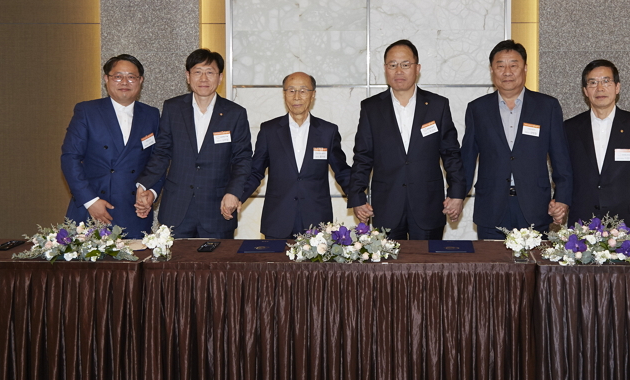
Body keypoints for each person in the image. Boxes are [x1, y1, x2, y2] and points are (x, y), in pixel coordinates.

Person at [347, 39, 466, 240]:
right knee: (388, 262)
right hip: (386, 205)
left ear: (417, 68)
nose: (399, 71)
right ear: (385, 69)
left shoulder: (437, 105)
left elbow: (451, 154)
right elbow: (363, 157)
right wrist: (357, 197)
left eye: (405, 64)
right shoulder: (371, 108)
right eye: (392, 65)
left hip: (428, 204)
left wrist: (456, 194)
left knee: (428, 260)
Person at [461, 40, 572, 239]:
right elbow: (467, 159)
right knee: (491, 260)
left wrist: (562, 199)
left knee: (534, 260)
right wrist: (457, 196)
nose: (507, 72)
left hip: (534, 205)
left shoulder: (547, 107)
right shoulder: (478, 109)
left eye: (513, 65)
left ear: (525, 68)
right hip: (491, 206)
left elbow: (561, 158)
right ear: (492, 70)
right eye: (500, 66)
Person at [135, 49, 252, 239]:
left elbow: (243, 159)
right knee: (175, 259)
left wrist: (234, 192)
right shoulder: (173, 108)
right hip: (176, 208)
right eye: (197, 72)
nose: (203, 78)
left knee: (218, 260)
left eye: (210, 72)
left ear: (220, 77)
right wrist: (145, 183)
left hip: (218, 209)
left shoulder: (235, 113)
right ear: (188, 76)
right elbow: (162, 152)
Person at [60, 54, 163, 238]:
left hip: (134, 211)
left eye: (131, 77)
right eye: (118, 76)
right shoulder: (87, 111)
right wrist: (90, 201)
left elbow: (159, 159)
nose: (124, 82)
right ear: (106, 79)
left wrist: (151, 192)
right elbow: (70, 158)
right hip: (93, 210)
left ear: (141, 81)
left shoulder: (151, 115)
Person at [242, 72, 351, 239]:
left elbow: (342, 171)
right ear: (284, 94)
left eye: (303, 90)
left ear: (313, 95)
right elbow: (255, 171)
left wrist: (358, 198)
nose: (297, 97)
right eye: (291, 90)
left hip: (316, 220)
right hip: (278, 219)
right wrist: (237, 197)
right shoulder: (269, 130)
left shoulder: (328, 131)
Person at [564, 59, 630, 238]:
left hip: (625, 222)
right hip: (582, 222)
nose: (600, 88)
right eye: (593, 83)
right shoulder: (570, 128)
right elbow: (564, 174)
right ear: (585, 91)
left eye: (606, 81)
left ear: (617, 87)